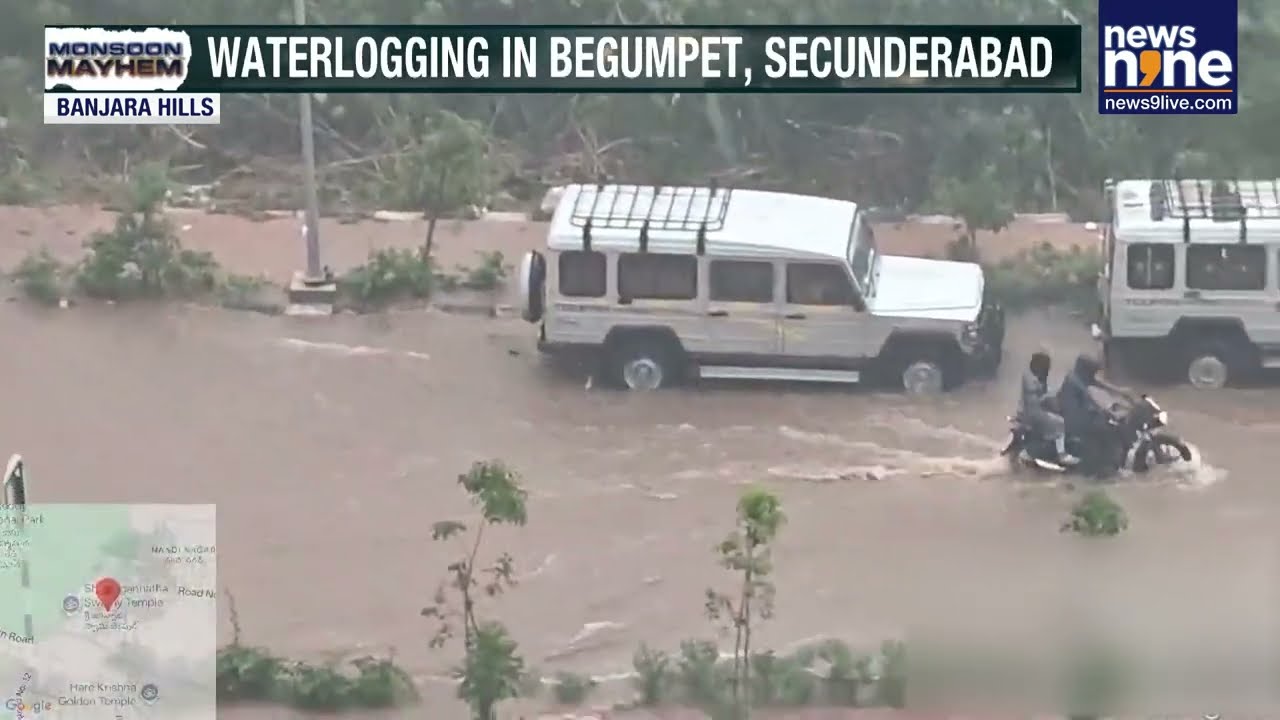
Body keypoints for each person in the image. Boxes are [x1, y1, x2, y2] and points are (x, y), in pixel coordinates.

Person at [1019, 351, 1077, 465]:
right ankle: (1062, 455)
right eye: (1047, 365)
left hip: (1035, 410)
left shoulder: (1037, 377)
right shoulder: (1029, 377)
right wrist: (1050, 395)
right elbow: (1038, 394)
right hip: (1034, 412)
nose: (1049, 368)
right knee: (1060, 423)